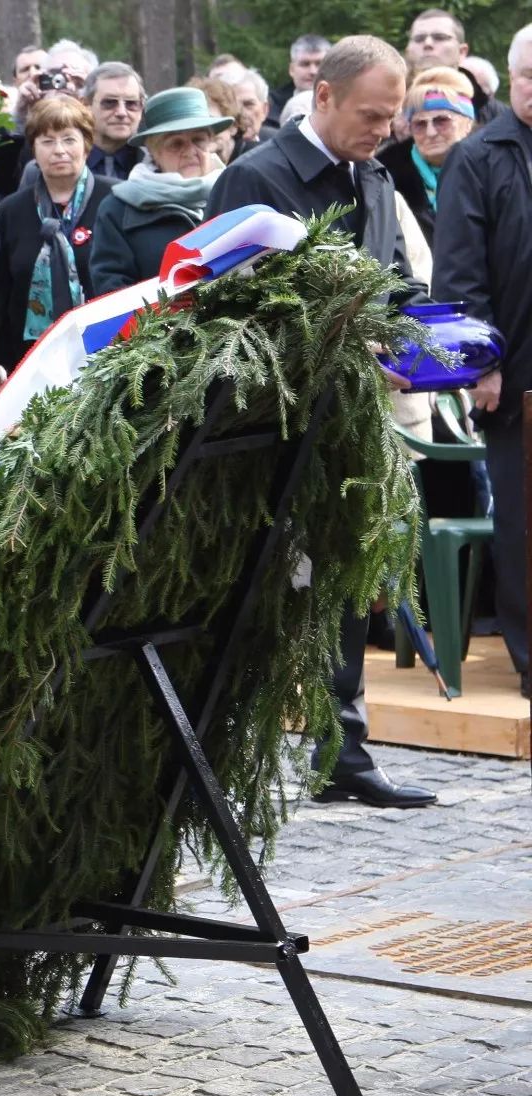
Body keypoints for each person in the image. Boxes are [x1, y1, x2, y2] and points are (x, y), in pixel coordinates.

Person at [207, 35, 436, 809]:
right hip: (267, 429)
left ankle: (343, 751)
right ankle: (201, 752)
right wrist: (336, 337)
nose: (383, 131)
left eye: (392, 118)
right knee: (251, 596)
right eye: (372, 115)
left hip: (347, 422)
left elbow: (393, 283)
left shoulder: (370, 176)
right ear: (325, 96)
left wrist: (419, 338)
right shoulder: (255, 176)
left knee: (341, 581)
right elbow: (222, 308)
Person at [432, 23, 532, 698]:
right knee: (525, 522)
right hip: (518, 375)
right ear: (508, 76)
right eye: (530, 79)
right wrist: (482, 365)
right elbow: (460, 274)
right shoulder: (480, 156)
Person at [0, 97, 115, 373]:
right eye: (47, 141)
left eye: (69, 139)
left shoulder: (115, 200)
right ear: (33, 149)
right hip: (30, 361)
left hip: (107, 353)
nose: (59, 150)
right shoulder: (11, 211)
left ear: (87, 144)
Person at [89, 87, 231, 296]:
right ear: (154, 152)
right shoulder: (118, 208)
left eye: (198, 140)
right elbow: (112, 291)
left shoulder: (233, 190)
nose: (191, 151)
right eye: (176, 143)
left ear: (211, 143)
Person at [379, 68, 475, 246]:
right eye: (420, 124)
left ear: (467, 123)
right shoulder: (385, 176)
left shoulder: (490, 171)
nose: (430, 132)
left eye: (442, 121)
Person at [83, 62, 144, 179]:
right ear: (86, 105)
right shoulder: (64, 160)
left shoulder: (156, 163)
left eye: (131, 103)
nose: (121, 112)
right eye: (110, 102)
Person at [267, 34, 330, 129]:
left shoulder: (345, 103)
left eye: (319, 64)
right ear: (291, 69)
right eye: (305, 64)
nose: (313, 71)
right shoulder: (270, 106)